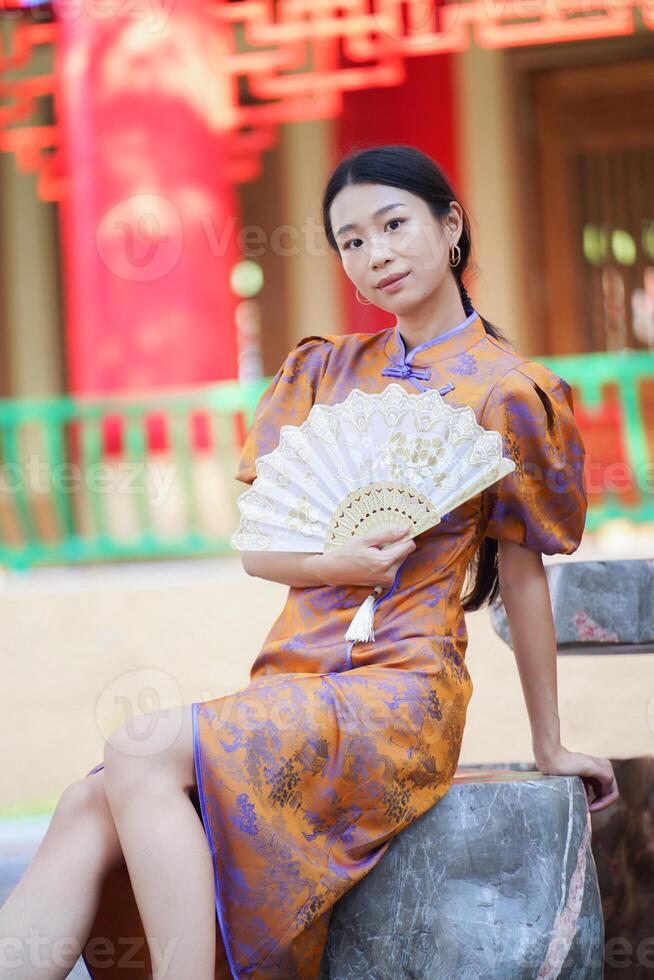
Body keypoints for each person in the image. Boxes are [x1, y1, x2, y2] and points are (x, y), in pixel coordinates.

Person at [0, 144, 619, 980]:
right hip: (294, 674)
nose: (378, 254)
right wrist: (336, 563)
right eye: (352, 241)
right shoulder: (326, 371)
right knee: (88, 799)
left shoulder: (511, 392)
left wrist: (552, 744)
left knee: (139, 750)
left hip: (400, 689)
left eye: (395, 225)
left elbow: (522, 573)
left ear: (451, 225)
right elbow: (259, 548)